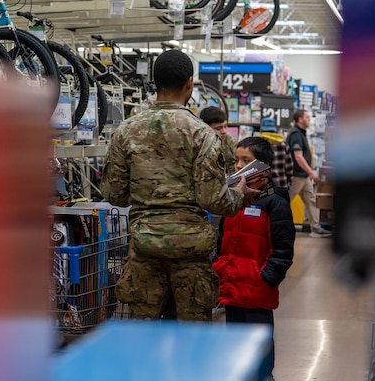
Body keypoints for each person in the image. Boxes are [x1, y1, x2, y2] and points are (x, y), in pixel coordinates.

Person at [101, 49, 262, 322]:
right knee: (191, 342)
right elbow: (213, 199)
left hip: (145, 248)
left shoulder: (126, 131)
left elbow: (114, 194)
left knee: (143, 338)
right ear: (189, 83)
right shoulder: (202, 134)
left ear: (155, 82)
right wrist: (239, 195)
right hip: (191, 253)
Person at [213, 137, 295, 373]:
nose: (238, 166)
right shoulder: (232, 199)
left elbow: (283, 250)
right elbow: (223, 241)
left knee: (259, 343)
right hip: (232, 283)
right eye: (236, 160)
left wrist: (265, 278)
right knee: (235, 342)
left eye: (245, 160)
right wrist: (221, 266)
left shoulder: (274, 203)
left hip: (256, 287)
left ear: (263, 165)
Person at [287, 109, 332, 237]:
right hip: (297, 175)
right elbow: (298, 157)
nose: (309, 119)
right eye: (307, 117)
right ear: (300, 119)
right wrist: (311, 172)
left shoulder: (300, 133)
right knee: (284, 202)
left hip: (303, 176)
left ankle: (316, 229)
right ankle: (271, 225)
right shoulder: (296, 134)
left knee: (311, 200)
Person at [199, 106, 237, 174]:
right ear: (206, 128)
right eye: (218, 128)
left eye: (225, 126)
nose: (224, 131)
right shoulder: (199, 144)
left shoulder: (229, 141)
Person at [258, 117, 293, 189]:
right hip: (281, 184)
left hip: (261, 185)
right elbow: (289, 167)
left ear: (261, 130)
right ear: (274, 130)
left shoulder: (257, 144)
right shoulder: (283, 144)